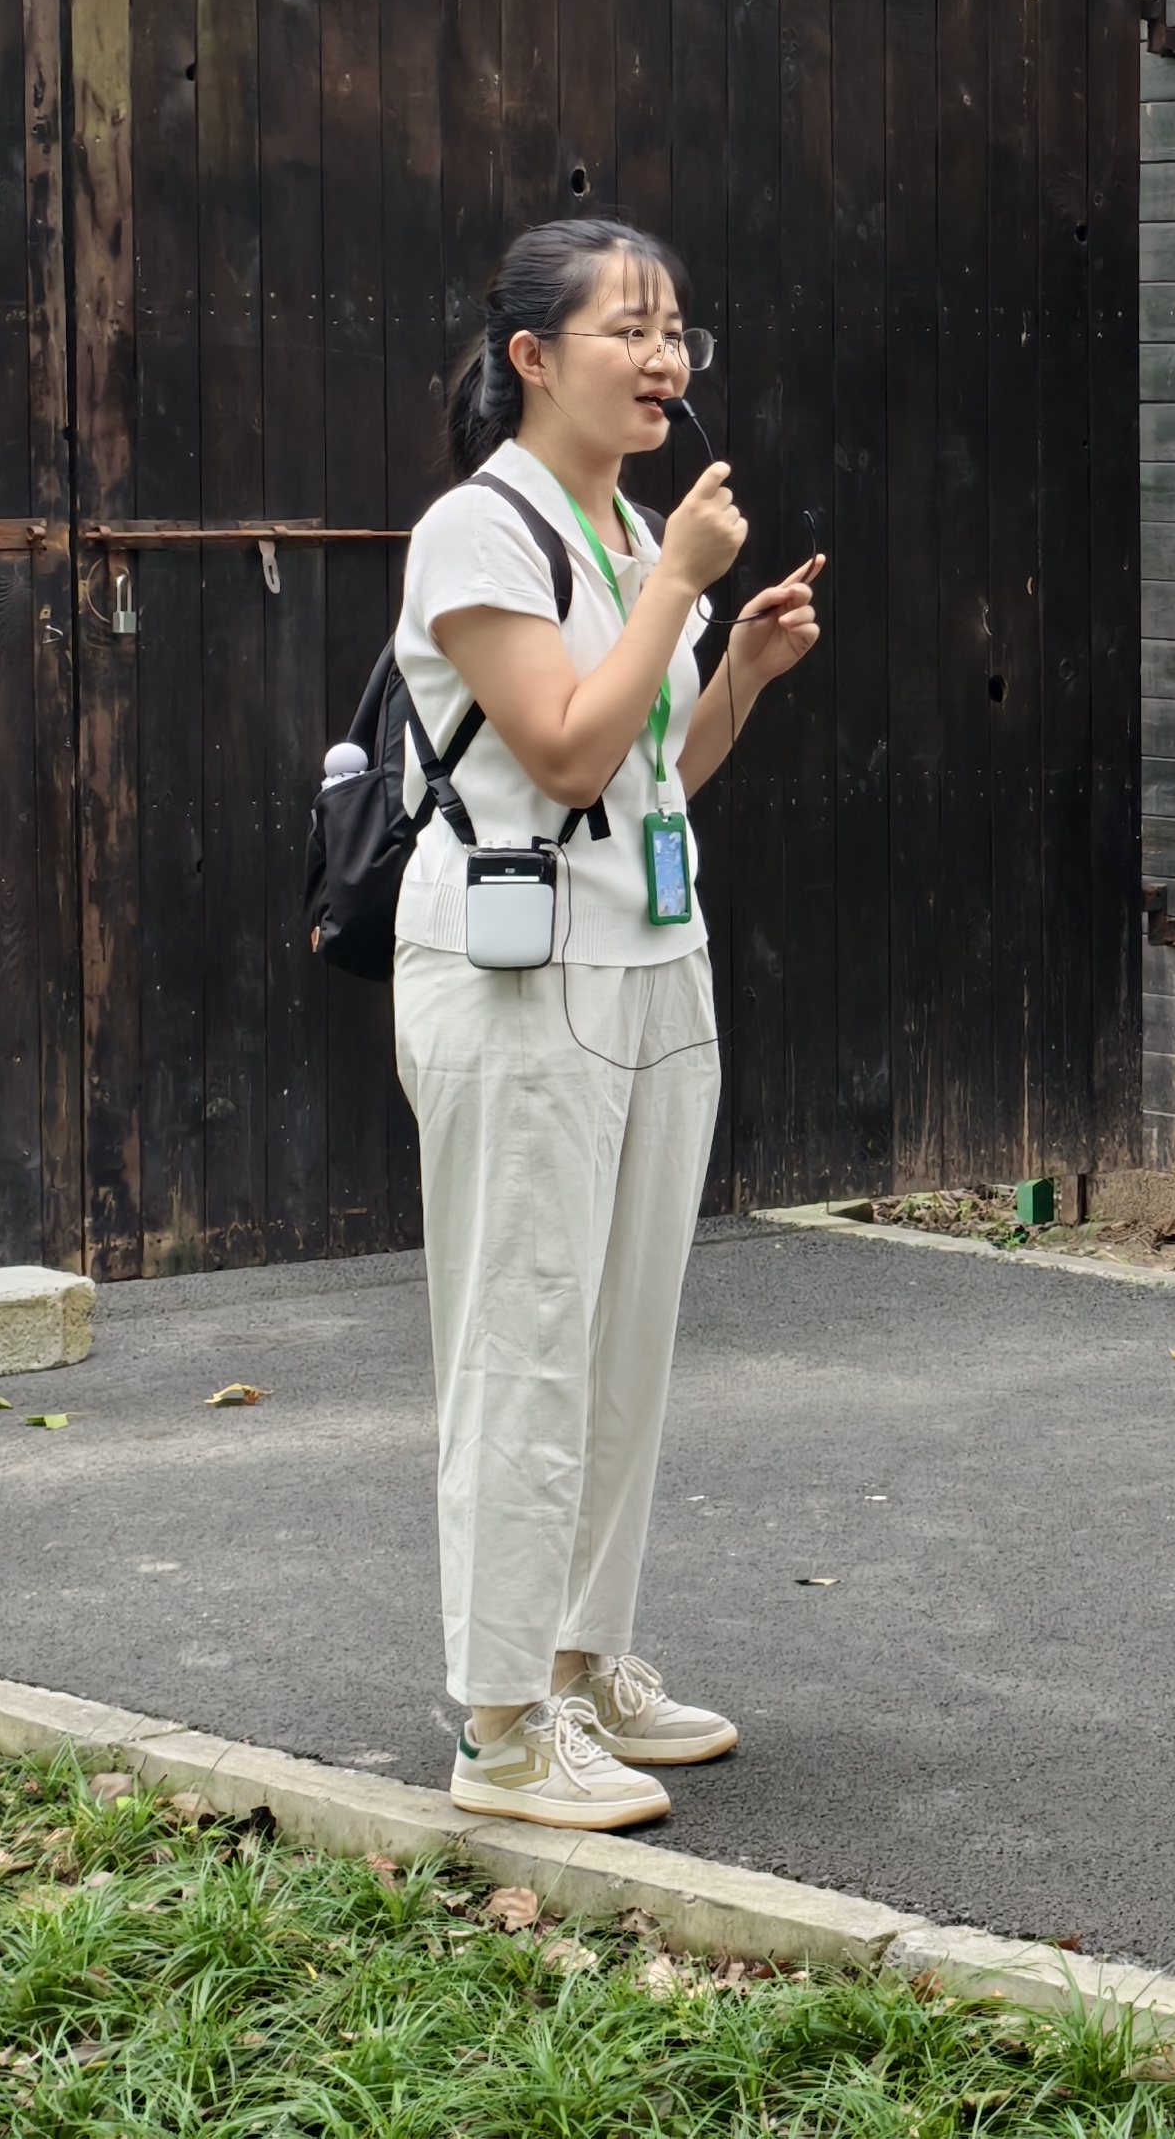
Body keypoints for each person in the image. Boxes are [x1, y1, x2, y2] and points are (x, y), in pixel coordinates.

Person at [401, 217, 824, 1833]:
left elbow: (654, 773)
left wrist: (744, 673)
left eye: (679, 332)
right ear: (531, 355)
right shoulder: (478, 531)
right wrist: (677, 589)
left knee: (624, 1332)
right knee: (526, 1329)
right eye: (628, 330)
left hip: (652, 955)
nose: (666, 361)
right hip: (516, 980)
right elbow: (566, 751)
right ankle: (500, 1722)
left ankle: (581, 1658)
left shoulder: (627, 519)